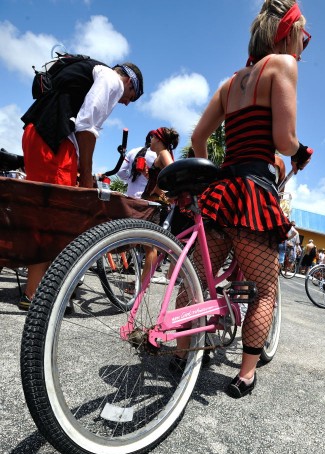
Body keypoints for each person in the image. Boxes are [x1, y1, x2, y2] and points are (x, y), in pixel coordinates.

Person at [172, 0, 312, 398]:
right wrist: (300, 153)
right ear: (288, 33)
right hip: (253, 195)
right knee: (264, 289)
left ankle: (181, 354)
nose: (305, 44)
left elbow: (198, 140)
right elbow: (284, 141)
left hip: (221, 193)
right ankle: (245, 375)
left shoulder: (228, 84)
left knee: (197, 280)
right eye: (305, 35)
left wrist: (219, 170)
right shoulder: (283, 67)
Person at [18, 59, 144, 310]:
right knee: (56, 217)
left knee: (45, 214)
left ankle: (36, 288)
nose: (128, 102)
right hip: (53, 140)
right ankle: (35, 295)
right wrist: (86, 175)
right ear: (128, 81)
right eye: (134, 94)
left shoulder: (91, 73)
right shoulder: (112, 80)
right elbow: (87, 126)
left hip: (37, 133)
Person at [141, 127, 180, 285]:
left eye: (153, 137)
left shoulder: (163, 153)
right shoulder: (160, 154)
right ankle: (142, 281)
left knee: (150, 246)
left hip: (155, 202)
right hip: (152, 199)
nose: (150, 140)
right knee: (147, 244)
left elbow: (174, 172)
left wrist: (167, 193)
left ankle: (142, 285)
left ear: (159, 140)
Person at [116, 132, 157, 199]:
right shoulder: (157, 155)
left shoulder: (133, 151)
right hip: (147, 200)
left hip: (129, 198)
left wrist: (130, 179)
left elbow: (120, 172)